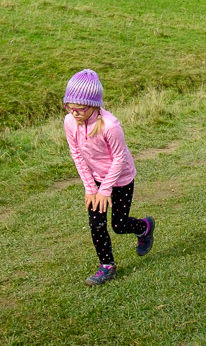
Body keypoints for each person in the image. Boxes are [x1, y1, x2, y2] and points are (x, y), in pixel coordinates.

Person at [62, 68, 155, 285]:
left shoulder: (110, 125)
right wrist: (91, 188)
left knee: (119, 224)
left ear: (94, 104)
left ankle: (144, 227)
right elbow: (76, 154)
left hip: (120, 178)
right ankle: (107, 266)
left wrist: (106, 189)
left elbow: (119, 157)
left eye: (80, 109)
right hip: (95, 179)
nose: (74, 113)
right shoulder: (69, 122)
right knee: (96, 224)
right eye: (70, 107)